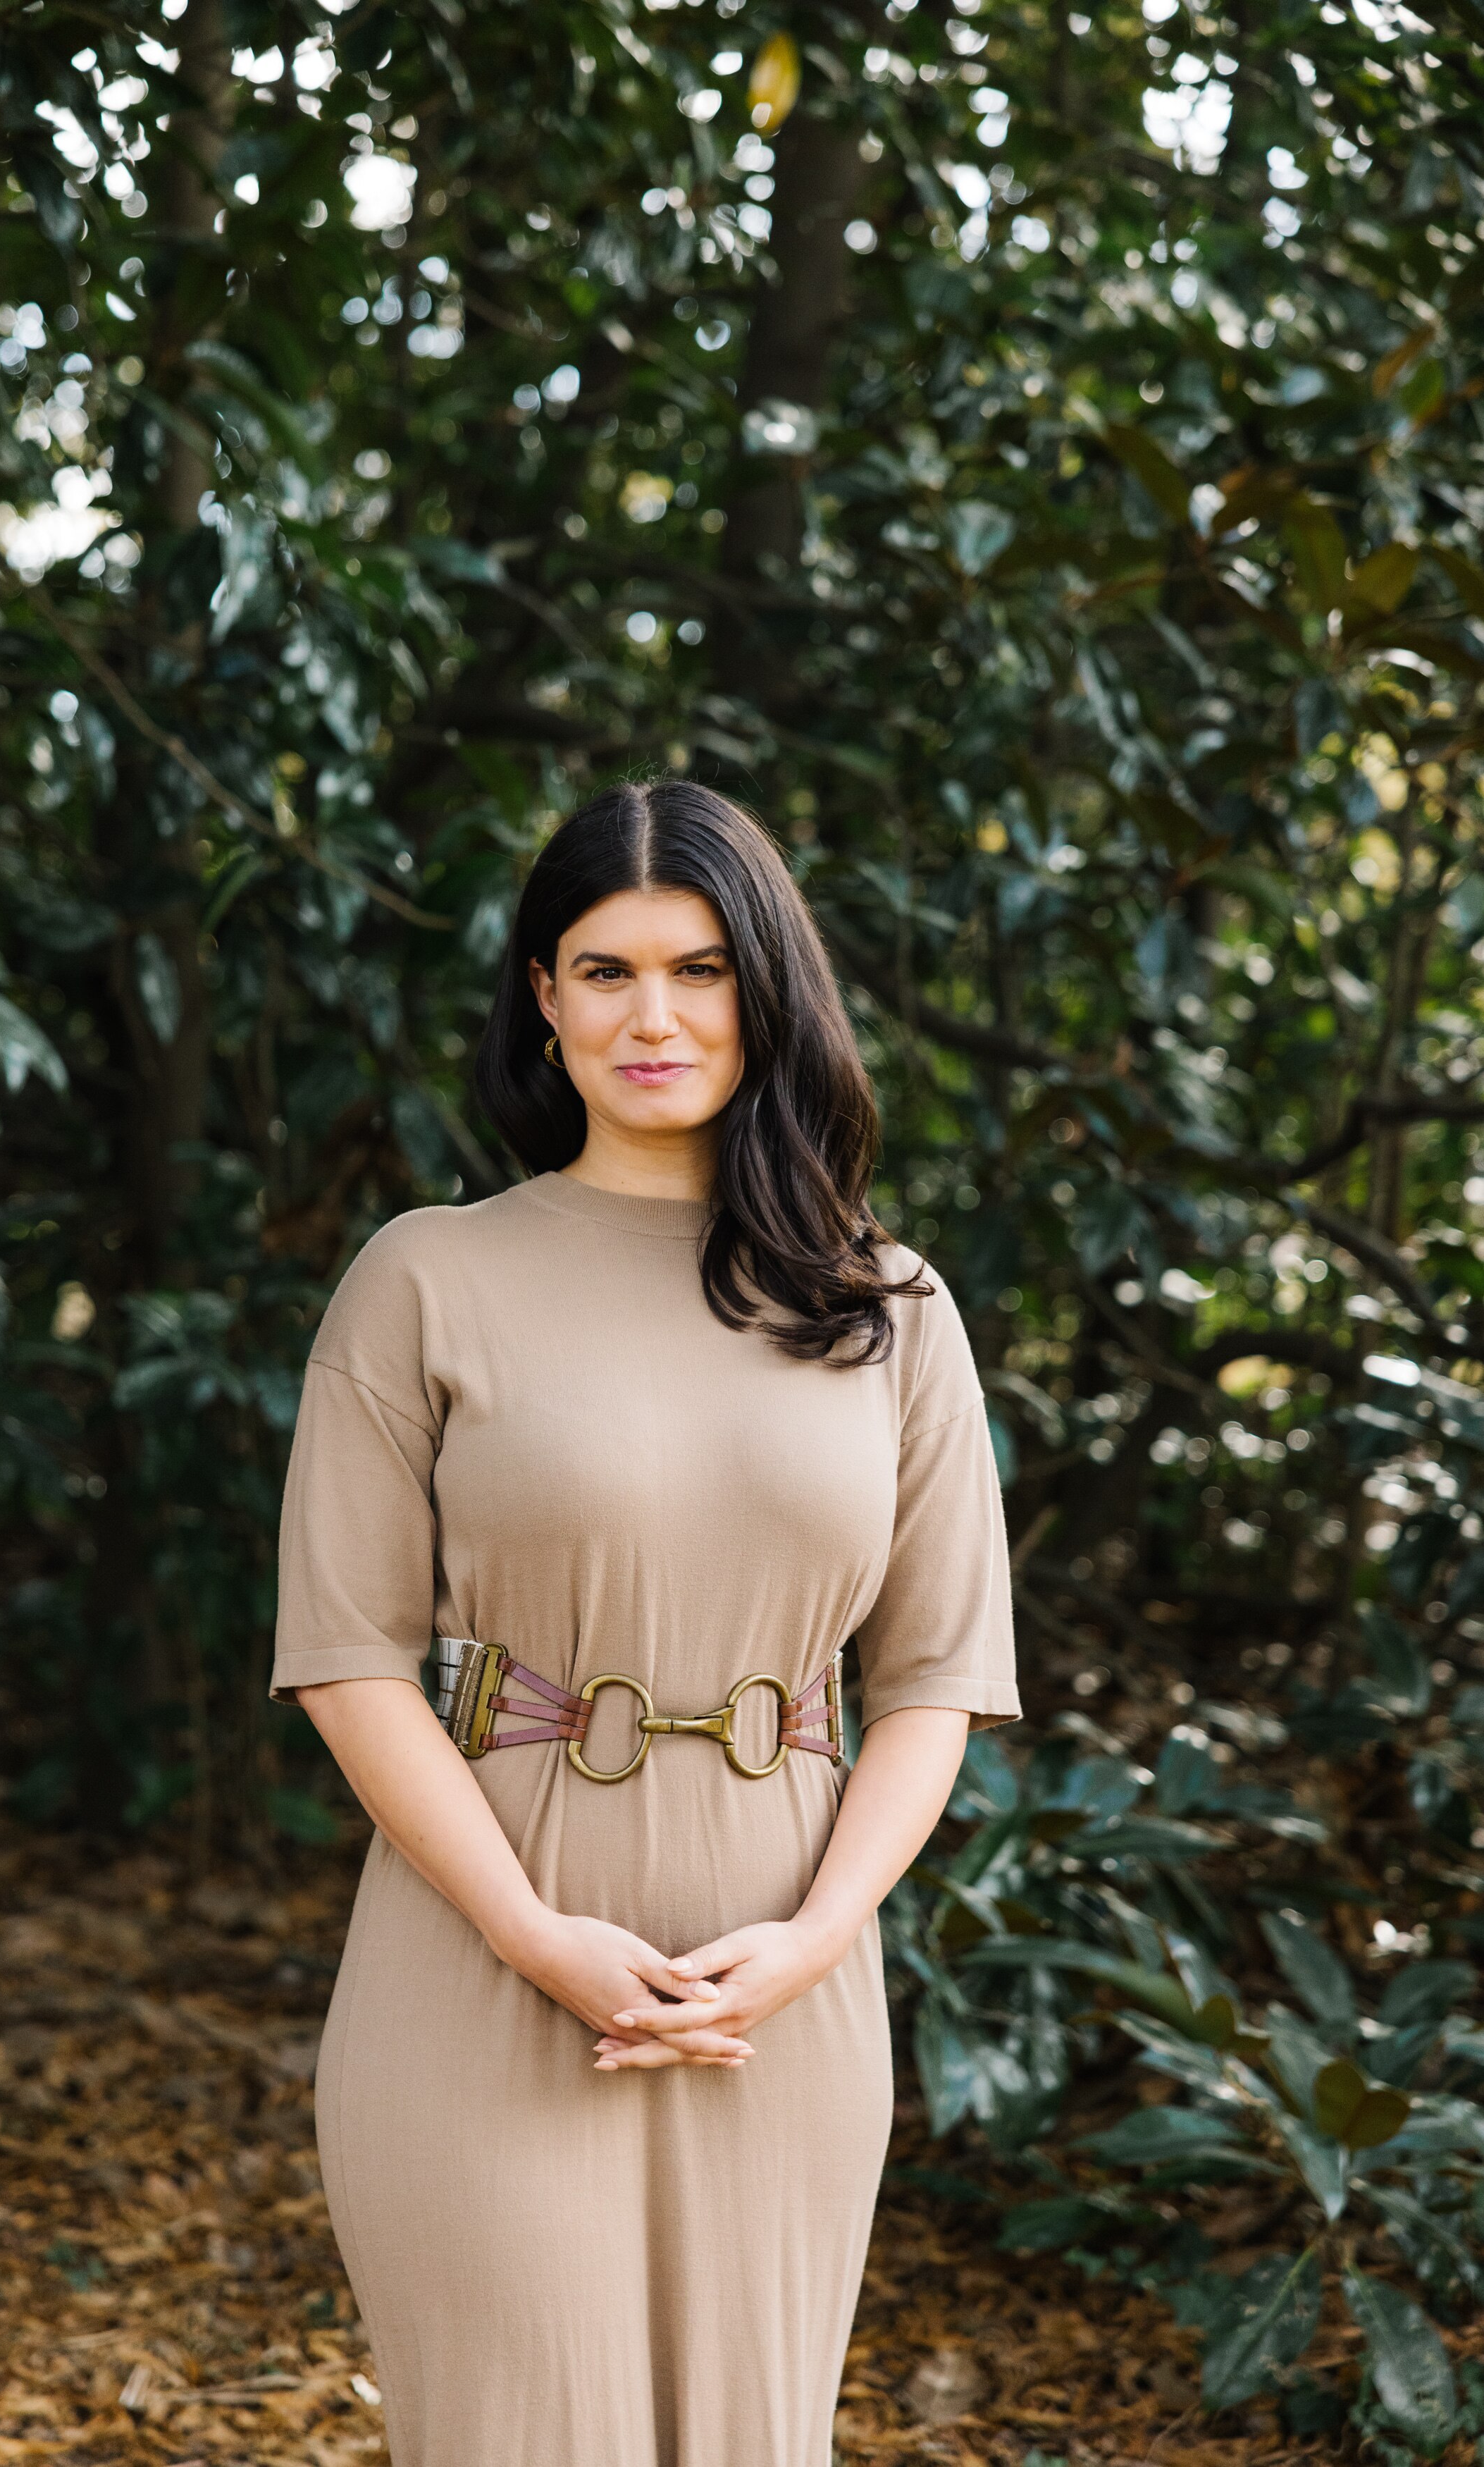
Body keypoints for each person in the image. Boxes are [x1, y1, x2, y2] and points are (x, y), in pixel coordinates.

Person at [271, 779, 1019, 2467]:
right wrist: (539, 1938)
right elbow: (346, 1653)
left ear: (767, 992)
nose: (654, 1015)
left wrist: (819, 1935)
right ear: (542, 997)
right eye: (604, 970)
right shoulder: (425, 1276)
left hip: (784, 1980)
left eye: (698, 969)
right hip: (483, 1959)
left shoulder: (889, 1306)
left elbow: (934, 1680)